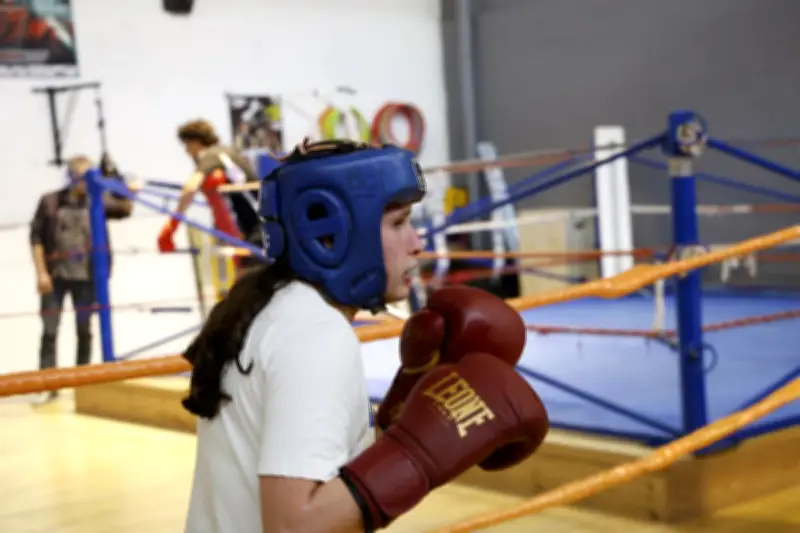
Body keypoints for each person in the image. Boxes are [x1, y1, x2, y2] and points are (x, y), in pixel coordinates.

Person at [180, 138, 550, 533]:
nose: (418, 243)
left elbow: (322, 472)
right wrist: (417, 456)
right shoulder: (315, 335)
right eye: (398, 223)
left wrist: (405, 400)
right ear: (332, 236)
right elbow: (294, 526)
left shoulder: (271, 307)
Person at [28, 155, 137, 403]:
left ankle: (82, 383)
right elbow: (36, 239)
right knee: (49, 331)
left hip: (88, 278)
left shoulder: (97, 201)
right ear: (70, 177)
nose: (83, 183)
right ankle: (48, 385)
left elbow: (126, 208)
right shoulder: (50, 202)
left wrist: (119, 181)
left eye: (88, 177)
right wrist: (41, 273)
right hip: (55, 277)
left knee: (85, 330)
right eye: (79, 178)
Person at [158, 119, 263, 269]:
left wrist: (171, 227)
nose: (187, 152)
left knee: (249, 276)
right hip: (258, 224)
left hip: (258, 225)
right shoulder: (226, 153)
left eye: (187, 145)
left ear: (195, 142)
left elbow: (190, 187)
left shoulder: (211, 155)